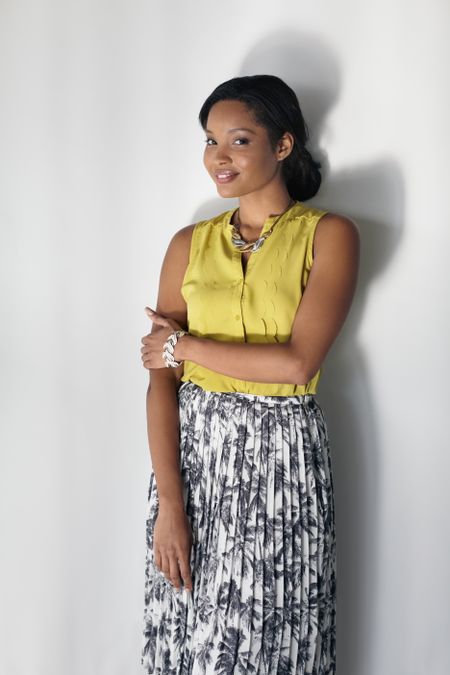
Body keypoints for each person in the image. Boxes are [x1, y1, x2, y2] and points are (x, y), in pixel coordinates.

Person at [139, 74, 359, 675]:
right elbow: (161, 380)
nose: (219, 157)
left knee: (273, 635)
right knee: (191, 626)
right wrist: (170, 506)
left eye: (238, 140)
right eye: (210, 141)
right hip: (195, 454)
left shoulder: (331, 235)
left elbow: (297, 363)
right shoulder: (189, 242)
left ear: (282, 146)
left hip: (282, 459)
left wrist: (183, 345)